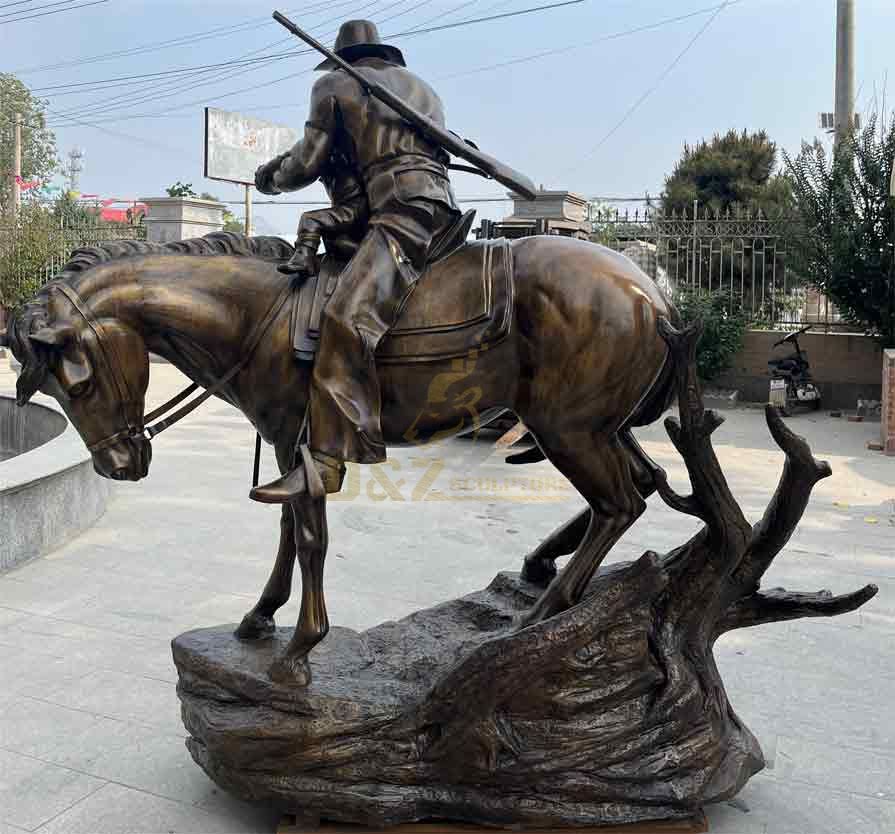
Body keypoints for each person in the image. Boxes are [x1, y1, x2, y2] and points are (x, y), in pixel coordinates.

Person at [251, 19, 461, 503]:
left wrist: (269, 177)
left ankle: (324, 460)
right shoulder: (421, 90)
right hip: (437, 203)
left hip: (401, 209)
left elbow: (307, 161)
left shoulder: (333, 83)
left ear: (343, 56)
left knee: (345, 316)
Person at [276, 149, 368, 277]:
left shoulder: (348, 157)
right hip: (344, 208)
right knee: (331, 235)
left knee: (310, 220)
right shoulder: (322, 159)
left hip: (355, 207)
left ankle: (304, 258)